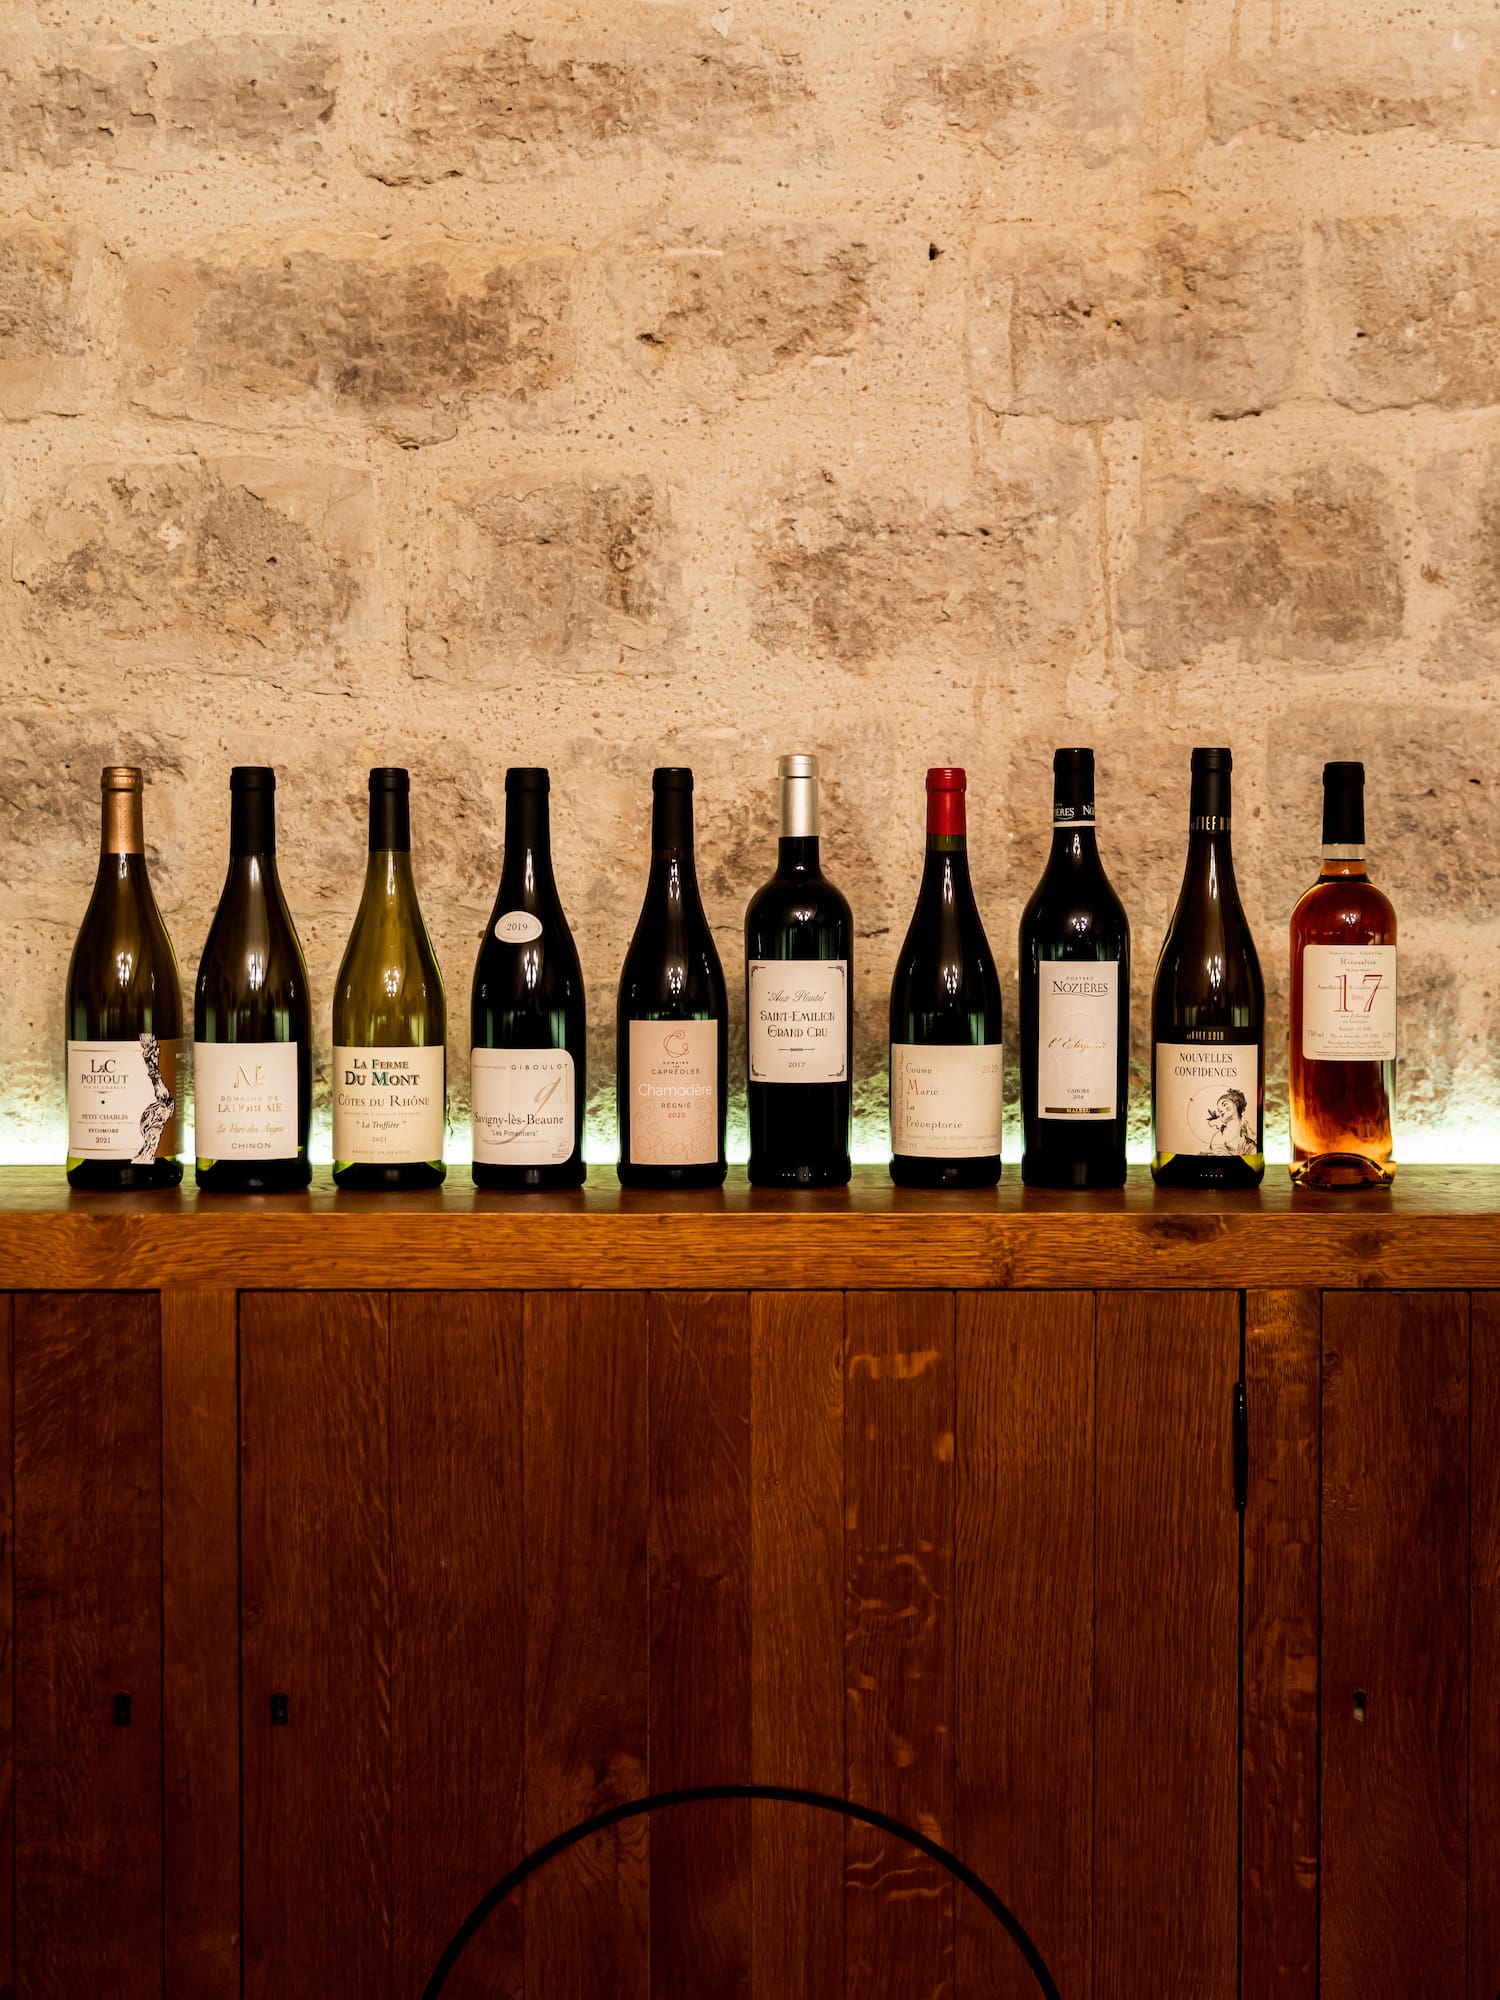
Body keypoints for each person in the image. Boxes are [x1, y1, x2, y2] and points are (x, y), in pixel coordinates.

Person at [1206, 1087, 1254, 1157]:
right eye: (1219, 1110)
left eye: (1224, 1105)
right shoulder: (1219, 1136)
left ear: (1236, 1104)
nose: (1221, 1110)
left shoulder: (1248, 1131)